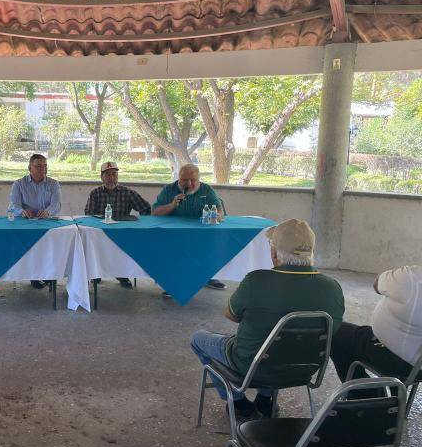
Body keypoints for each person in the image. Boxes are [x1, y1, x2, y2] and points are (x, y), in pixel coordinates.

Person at [189, 219, 344, 419]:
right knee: (279, 346)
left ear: (274, 253)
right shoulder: (332, 287)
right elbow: (334, 329)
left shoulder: (256, 280)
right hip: (304, 369)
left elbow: (231, 315)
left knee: (198, 338)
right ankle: (265, 401)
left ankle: (238, 403)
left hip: (251, 367)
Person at [330, 265, 422, 396]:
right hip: (416, 363)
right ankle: (392, 396)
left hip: (395, 358)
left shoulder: (412, 277)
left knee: (336, 332)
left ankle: (366, 397)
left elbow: (377, 283)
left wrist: (398, 272)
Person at [153, 163, 226, 291]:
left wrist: (215, 217)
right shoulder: (168, 190)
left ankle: (206, 277)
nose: (190, 184)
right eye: (185, 180)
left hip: (201, 233)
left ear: (199, 179)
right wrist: (172, 205)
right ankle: (171, 284)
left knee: (214, 243)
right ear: (178, 179)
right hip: (173, 234)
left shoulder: (206, 190)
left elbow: (220, 211)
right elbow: (155, 213)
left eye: (193, 180)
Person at [84, 161, 152, 289]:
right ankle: (96, 273)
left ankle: (122, 274)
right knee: (94, 243)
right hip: (101, 232)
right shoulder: (95, 193)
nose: (111, 178)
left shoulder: (128, 192)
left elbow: (146, 208)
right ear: (101, 177)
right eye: (108, 175)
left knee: (125, 246)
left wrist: (140, 225)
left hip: (123, 232)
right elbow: (89, 214)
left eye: (114, 174)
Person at [10, 154, 62, 289]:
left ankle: (49, 274)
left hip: (47, 222)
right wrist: (22, 211)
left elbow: (56, 205)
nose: (42, 169)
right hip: (26, 223)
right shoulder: (19, 184)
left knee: (51, 246)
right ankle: (34, 275)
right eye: (38, 166)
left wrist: (47, 212)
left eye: (45, 166)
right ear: (29, 167)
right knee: (29, 247)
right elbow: (13, 205)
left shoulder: (53, 183)